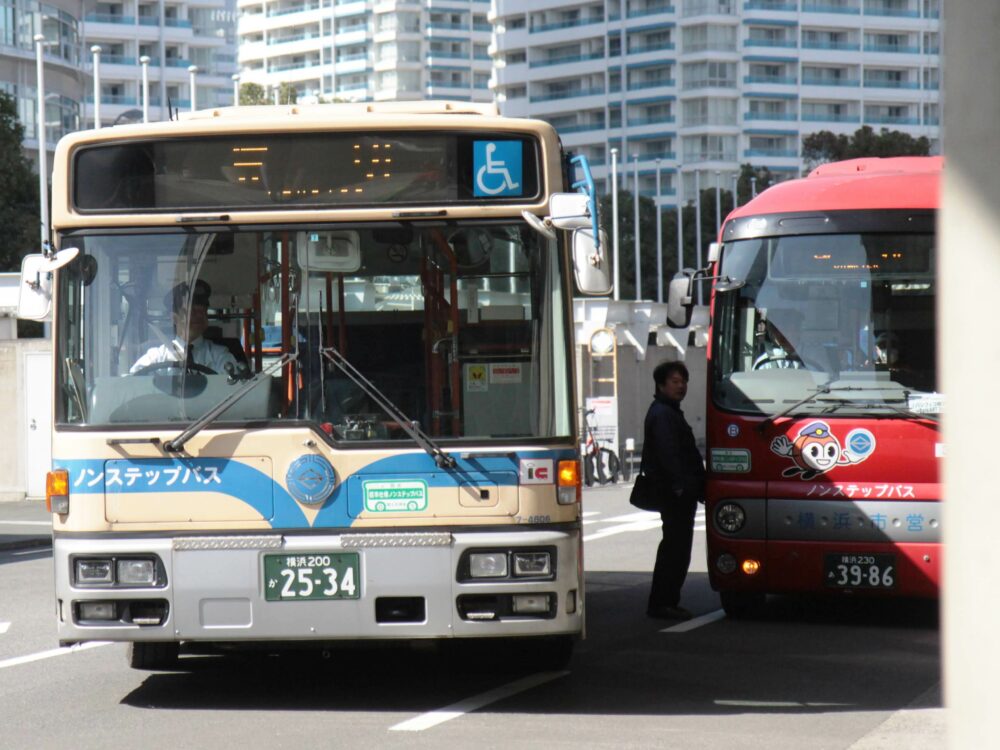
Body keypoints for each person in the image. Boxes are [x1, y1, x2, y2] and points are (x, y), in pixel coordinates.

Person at [642, 360, 706, 621]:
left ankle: (667, 601)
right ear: (661, 385)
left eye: (684, 381)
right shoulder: (663, 414)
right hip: (674, 493)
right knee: (675, 548)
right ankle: (663, 602)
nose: (682, 386)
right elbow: (669, 455)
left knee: (675, 546)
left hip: (678, 491)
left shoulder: (668, 411)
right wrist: (680, 486)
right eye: (675, 382)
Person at [130, 279, 239, 374]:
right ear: (174, 318)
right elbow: (130, 384)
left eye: (203, 311)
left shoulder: (219, 356)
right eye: (192, 311)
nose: (200, 316)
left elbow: (236, 387)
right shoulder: (157, 357)